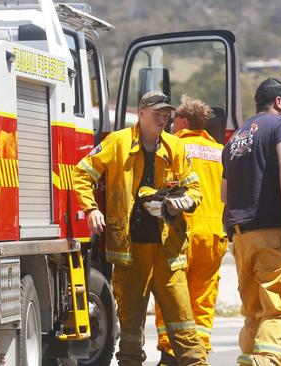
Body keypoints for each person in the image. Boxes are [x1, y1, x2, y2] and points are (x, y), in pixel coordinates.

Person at [73, 91, 209, 366]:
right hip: (130, 251)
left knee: (184, 323)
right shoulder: (118, 143)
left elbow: (195, 188)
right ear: (142, 113)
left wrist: (181, 202)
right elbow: (81, 173)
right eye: (156, 113)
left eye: (166, 113)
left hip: (168, 250)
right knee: (131, 330)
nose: (162, 118)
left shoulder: (175, 148)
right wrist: (91, 209)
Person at [221, 77, 281, 366]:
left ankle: (250, 360)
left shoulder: (236, 137)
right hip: (275, 234)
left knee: (255, 313)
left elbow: (224, 192)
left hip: (243, 237)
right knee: (278, 309)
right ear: (278, 102)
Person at [154, 95, 227, 365]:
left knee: (171, 293)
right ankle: (199, 353)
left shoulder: (174, 147)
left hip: (181, 233)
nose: (170, 124)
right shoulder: (220, 151)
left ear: (184, 120)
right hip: (213, 236)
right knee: (203, 297)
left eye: (174, 119)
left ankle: (170, 353)